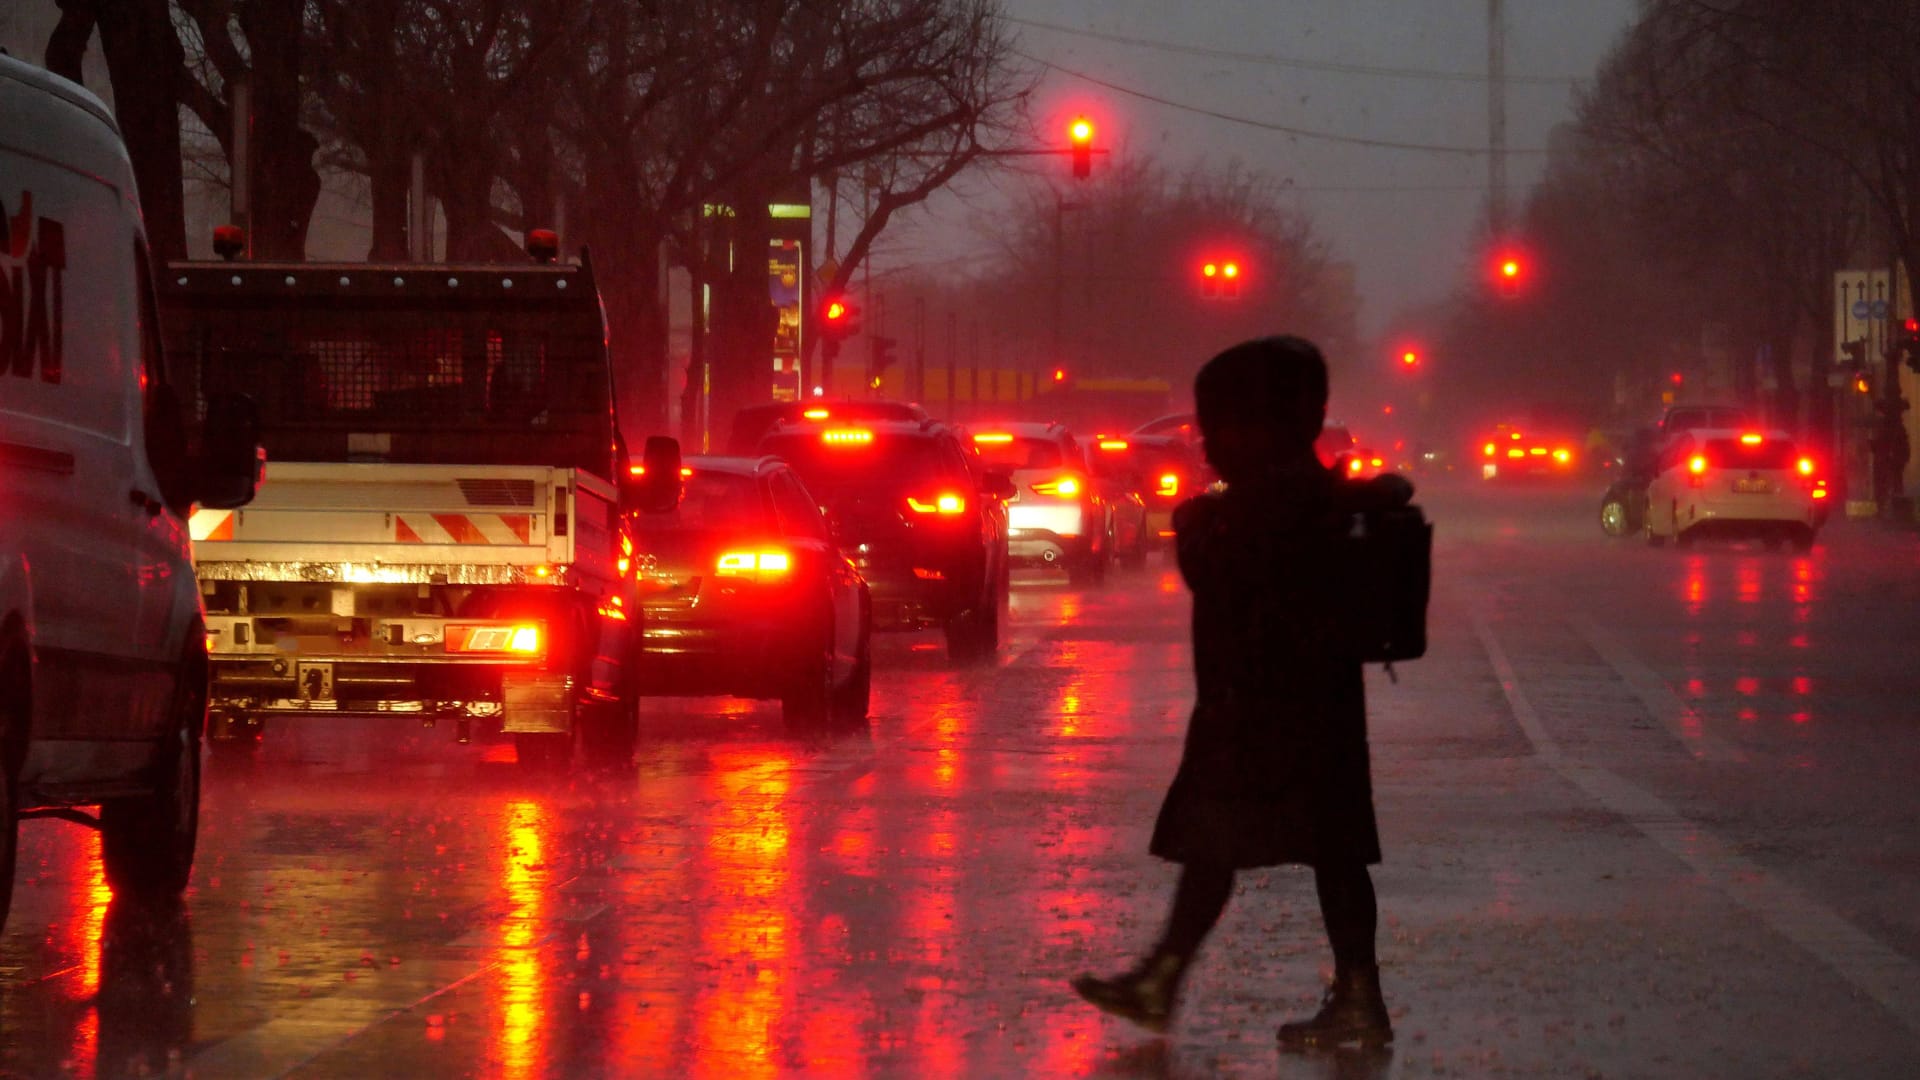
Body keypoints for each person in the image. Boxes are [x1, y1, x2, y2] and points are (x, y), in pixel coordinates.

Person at [1070, 335, 1409, 1050]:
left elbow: (1222, 575)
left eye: (1219, 425)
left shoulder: (1264, 502)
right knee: (1321, 849)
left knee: (1218, 838)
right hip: (1316, 705)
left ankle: (1171, 980)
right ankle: (1352, 994)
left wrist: (1194, 524)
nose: (1207, 442)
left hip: (1252, 704)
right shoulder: (1317, 493)